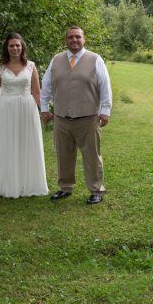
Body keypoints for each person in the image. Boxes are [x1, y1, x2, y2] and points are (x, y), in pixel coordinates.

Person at [41, 26, 111, 204]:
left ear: (84, 39)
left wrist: (105, 111)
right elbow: (46, 85)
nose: (74, 40)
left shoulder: (95, 59)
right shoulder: (56, 60)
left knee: (92, 156)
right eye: (70, 37)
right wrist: (44, 107)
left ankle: (96, 189)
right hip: (62, 118)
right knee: (63, 155)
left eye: (77, 37)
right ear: (66, 40)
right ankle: (65, 187)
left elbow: (105, 86)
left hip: (88, 117)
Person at [0, 33, 48, 198]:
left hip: (27, 110)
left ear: (22, 47)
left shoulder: (31, 66)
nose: (15, 48)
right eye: (11, 46)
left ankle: (28, 184)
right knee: (7, 146)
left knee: (28, 144)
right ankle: (7, 185)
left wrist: (45, 111)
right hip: (5, 110)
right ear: (6, 48)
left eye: (17, 45)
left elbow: (37, 93)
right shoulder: (0, 68)